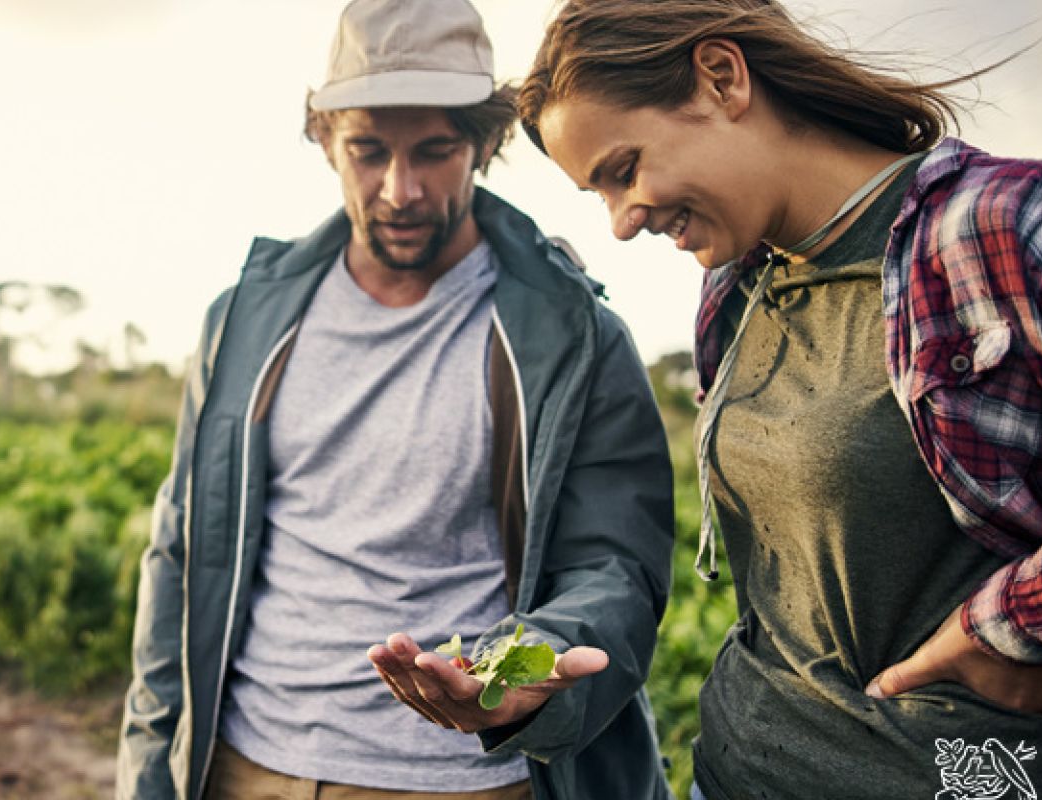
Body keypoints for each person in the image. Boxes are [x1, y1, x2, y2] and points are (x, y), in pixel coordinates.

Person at [505, 0, 1042, 797]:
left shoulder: (1014, 228)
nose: (623, 222)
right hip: (733, 771)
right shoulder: (733, 290)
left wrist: (1016, 623)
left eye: (623, 170)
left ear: (722, 77)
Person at [115, 0, 676, 797]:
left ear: (487, 142)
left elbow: (615, 566)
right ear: (324, 139)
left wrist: (533, 663)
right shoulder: (242, 320)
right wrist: (147, 771)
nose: (400, 189)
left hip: (463, 781)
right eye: (368, 151)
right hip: (241, 768)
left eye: (435, 151)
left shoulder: (575, 336)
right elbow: (179, 554)